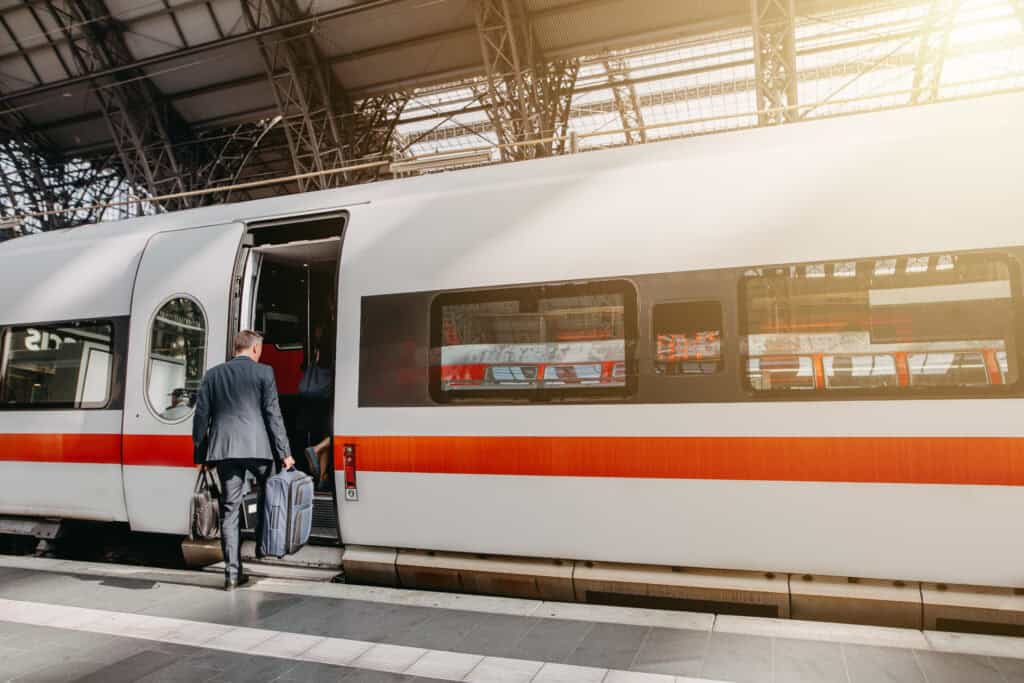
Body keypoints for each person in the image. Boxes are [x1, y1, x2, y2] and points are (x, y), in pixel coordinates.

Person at [192, 330, 295, 590]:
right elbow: (274, 415)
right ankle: (263, 545)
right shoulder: (264, 373)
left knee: (229, 511)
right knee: (269, 496)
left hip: (225, 451)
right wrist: (285, 453)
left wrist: (201, 455)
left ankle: (232, 574)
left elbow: (200, 418)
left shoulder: (213, 375)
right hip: (258, 448)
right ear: (255, 349)